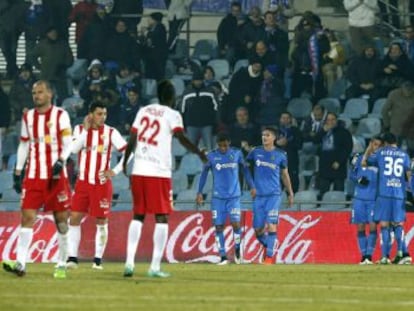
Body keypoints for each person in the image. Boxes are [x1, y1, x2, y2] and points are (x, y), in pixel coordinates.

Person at [122, 80, 207, 278]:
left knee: (138, 216)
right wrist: (199, 152)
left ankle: (129, 263)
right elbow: (182, 138)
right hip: (158, 171)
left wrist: (127, 162)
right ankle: (154, 267)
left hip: (139, 169)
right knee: (161, 217)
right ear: (172, 97)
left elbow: (132, 139)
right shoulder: (172, 114)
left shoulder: (144, 110)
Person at [2, 80, 72, 278]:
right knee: (27, 217)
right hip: (33, 176)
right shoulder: (28, 117)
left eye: (40, 92)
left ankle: (61, 262)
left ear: (50, 94)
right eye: (34, 92)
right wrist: (17, 172)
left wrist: (61, 160)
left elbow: (68, 142)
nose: (36, 96)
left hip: (56, 177)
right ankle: (21, 263)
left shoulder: (61, 115)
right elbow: (24, 145)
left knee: (61, 221)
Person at [66, 101, 127, 270]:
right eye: (99, 114)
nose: (102, 117)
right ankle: (72, 258)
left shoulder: (111, 132)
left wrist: (115, 171)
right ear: (90, 114)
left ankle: (97, 260)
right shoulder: (79, 130)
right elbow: (73, 149)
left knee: (101, 221)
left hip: (101, 184)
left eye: (104, 114)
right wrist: (85, 131)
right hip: (83, 183)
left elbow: (129, 151)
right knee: (74, 219)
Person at [196, 133, 255, 265]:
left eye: (225, 145)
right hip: (218, 198)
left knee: (236, 224)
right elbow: (204, 173)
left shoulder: (237, 153)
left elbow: (245, 170)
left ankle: (238, 250)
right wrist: (199, 192)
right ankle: (223, 256)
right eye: (220, 146)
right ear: (217, 145)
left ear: (229, 143)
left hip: (234, 197)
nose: (223, 148)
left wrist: (252, 186)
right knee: (218, 227)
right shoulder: (211, 156)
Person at [246, 127, 294, 264]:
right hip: (259, 196)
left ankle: (269, 257)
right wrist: (251, 185)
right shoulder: (255, 152)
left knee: (272, 225)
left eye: (267, 135)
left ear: (274, 138)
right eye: (263, 135)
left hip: (273, 195)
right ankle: (270, 245)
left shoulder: (281, 154)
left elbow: (285, 174)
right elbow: (245, 169)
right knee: (258, 230)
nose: (264, 137)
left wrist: (290, 193)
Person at [362, 132, 411, 264]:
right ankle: (402, 254)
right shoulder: (404, 155)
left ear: (385, 143)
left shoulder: (381, 153)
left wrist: (368, 150)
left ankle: (385, 257)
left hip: (384, 193)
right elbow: (408, 174)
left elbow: (365, 163)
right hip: (399, 194)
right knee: (398, 223)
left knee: (384, 224)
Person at [349, 136, 382, 264]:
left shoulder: (381, 161)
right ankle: (363, 257)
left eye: (379, 145)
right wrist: (358, 179)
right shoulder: (358, 157)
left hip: (374, 199)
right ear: (370, 144)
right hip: (359, 199)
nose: (376, 147)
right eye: (375, 144)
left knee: (373, 227)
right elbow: (351, 174)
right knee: (360, 227)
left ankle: (369, 255)